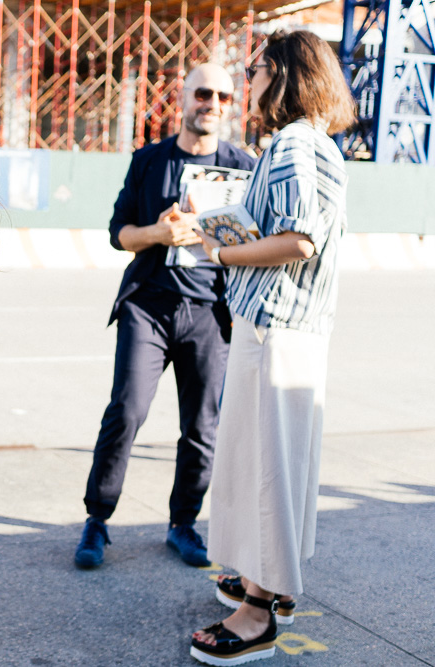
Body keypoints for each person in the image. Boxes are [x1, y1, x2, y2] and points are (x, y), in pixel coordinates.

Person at [188, 29, 355, 665]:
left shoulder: (292, 144)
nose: (249, 81)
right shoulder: (319, 144)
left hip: (277, 330)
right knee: (277, 468)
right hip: (297, 331)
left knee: (262, 470)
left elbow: (299, 239)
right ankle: (266, 581)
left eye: (257, 69)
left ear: (284, 75)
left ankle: (256, 612)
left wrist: (222, 250)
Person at [74, 64, 255, 570]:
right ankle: (97, 520)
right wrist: (158, 233)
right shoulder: (150, 161)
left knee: (202, 426)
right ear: (184, 97)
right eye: (203, 93)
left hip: (211, 311)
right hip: (149, 305)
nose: (212, 103)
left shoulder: (242, 167)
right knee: (126, 412)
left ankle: (183, 524)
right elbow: (120, 235)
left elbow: (257, 242)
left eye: (222, 95)